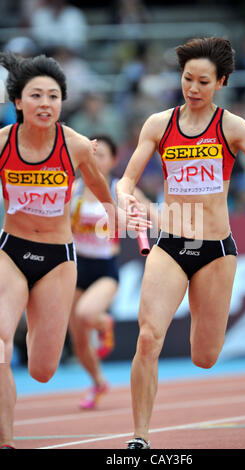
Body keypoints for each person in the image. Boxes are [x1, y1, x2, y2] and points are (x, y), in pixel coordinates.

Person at [116, 37, 245, 449]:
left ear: (221, 82)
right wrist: (125, 196)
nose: (192, 88)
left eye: (202, 81)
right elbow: (126, 179)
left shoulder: (233, 127)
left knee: (205, 357)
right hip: (171, 244)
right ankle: (140, 438)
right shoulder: (158, 124)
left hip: (216, 251)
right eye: (186, 79)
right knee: (149, 338)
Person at [0, 52, 149, 450]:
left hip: (57, 261)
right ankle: (7, 440)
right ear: (17, 101)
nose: (45, 104)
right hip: (11, 252)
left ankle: (35, 328)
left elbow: (103, 190)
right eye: (36, 96)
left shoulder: (78, 146)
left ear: (62, 102)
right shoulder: (2, 144)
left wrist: (120, 216)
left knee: (43, 370)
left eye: (53, 96)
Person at [69, 134, 158, 410]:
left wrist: (140, 210)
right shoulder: (72, 189)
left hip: (105, 268)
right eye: (92, 155)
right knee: (79, 342)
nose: (95, 160)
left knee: (86, 313)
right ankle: (97, 382)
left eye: (102, 156)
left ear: (114, 160)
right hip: (75, 267)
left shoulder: (120, 188)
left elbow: (152, 215)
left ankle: (102, 322)